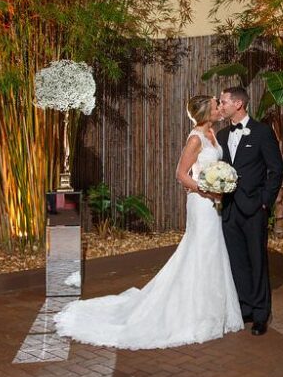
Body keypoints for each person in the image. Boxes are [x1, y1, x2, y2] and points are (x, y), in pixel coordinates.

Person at [54, 95, 243, 349]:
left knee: (211, 251)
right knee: (201, 251)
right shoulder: (196, 138)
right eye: (215, 105)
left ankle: (213, 309)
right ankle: (194, 313)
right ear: (204, 113)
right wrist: (206, 190)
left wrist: (222, 182)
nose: (219, 108)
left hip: (213, 203)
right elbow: (181, 174)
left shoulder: (212, 134)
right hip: (201, 203)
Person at [216, 86, 283, 336]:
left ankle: (260, 313)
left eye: (223, 102)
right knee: (237, 262)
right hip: (230, 209)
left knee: (257, 260)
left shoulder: (262, 132)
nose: (220, 106)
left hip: (254, 207)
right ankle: (244, 307)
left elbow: (276, 169)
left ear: (238, 104)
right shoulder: (222, 135)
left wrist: (265, 200)